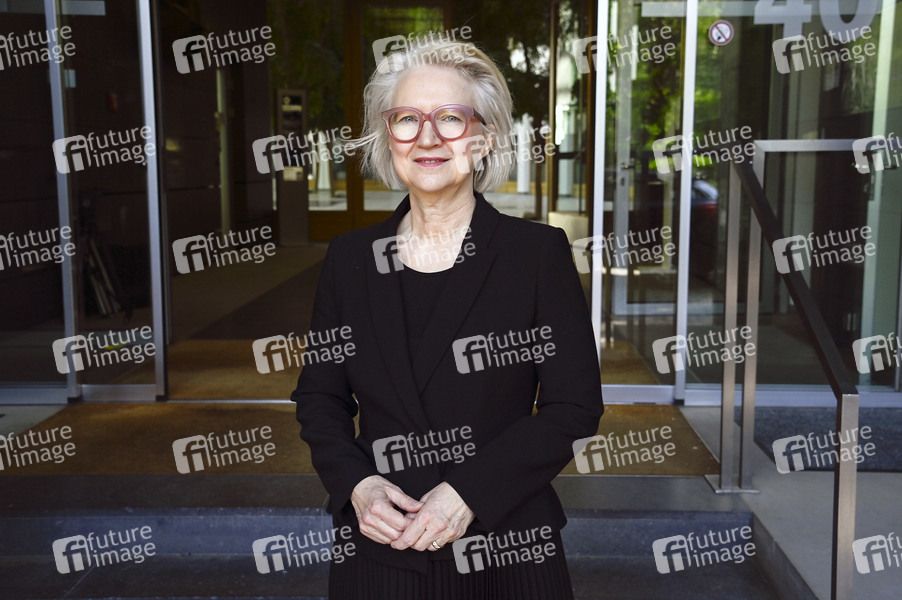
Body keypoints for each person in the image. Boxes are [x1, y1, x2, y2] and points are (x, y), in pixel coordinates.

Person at [291, 38, 603, 599]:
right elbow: (320, 398)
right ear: (389, 136)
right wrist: (357, 486)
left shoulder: (536, 255)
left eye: (451, 118)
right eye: (408, 118)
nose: (428, 137)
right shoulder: (350, 259)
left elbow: (573, 407)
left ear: (485, 138)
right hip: (379, 549)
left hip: (505, 549)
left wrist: (468, 495)